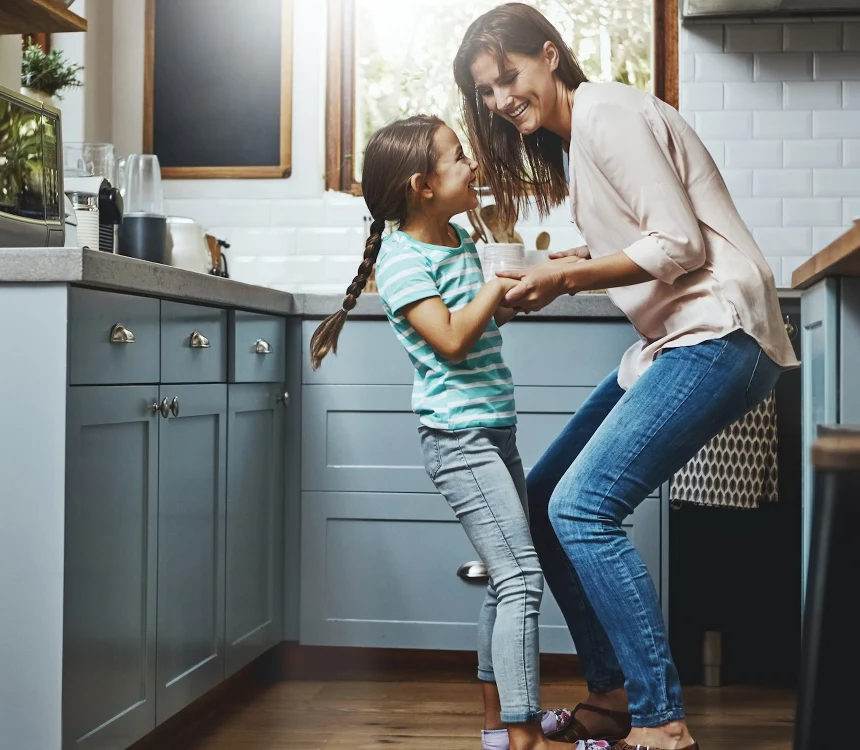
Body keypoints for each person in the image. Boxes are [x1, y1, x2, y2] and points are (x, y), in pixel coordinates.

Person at [452, 4, 799, 750]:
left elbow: (676, 244)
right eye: (485, 91)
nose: (501, 99)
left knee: (581, 507)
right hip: (676, 339)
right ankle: (610, 696)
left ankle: (660, 719)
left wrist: (565, 281)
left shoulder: (605, 114)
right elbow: (643, 235)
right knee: (543, 498)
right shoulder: (580, 138)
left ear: (549, 56)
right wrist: (562, 267)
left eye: (508, 77)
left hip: (718, 332)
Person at [309, 114, 608, 750]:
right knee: (523, 577)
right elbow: (449, 340)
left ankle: (495, 731)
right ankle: (523, 733)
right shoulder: (401, 259)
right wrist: (498, 284)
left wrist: (553, 269)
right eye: (458, 157)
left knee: (507, 579)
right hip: (458, 440)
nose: (472, 164)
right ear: (423, 184)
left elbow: (484, 318)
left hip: (493, 429)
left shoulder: (456, 239)